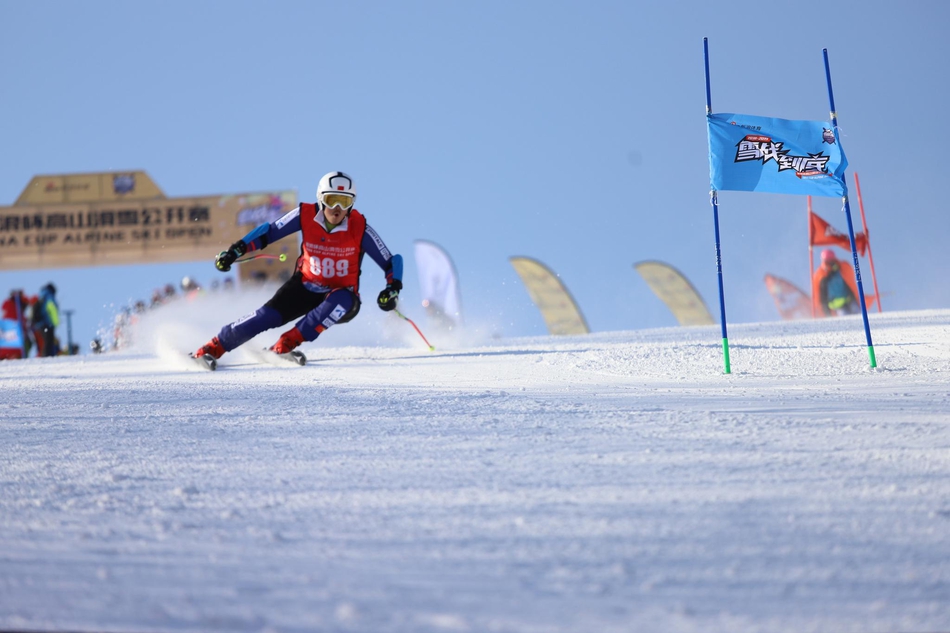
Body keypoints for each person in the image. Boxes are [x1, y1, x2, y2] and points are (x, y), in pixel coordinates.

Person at [192, 171, 403, 361]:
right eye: (332, 200)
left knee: (341, 299)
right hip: (304, 287)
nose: (337, 208)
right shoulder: (305, 215)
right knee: (267, 317)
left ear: (352, 204)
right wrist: (236, 250)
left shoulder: (360, 227)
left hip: (342, 297)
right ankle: (214, 347)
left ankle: (285, 343)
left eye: (344, 201)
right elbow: (269, 232)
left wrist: (392, 289)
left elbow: (391, 261)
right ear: (321, 199)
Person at [812, 249, 859, 317]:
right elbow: (821, 293)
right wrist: (825, 309)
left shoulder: (841, 268)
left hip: (847, 299)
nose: (830, 263)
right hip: (838, 303)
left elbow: (849, 282)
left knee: (857, 315)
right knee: (848, 317)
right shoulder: (821, 275)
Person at [32, 282, 61, 356]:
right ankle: (48, 356)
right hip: (47, 323)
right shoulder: (49, 296)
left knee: (45, 341)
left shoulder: (41, 296)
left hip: (40, 323)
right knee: (49, 341)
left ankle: (45, 355)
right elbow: (52, 309)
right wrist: (56, 322)